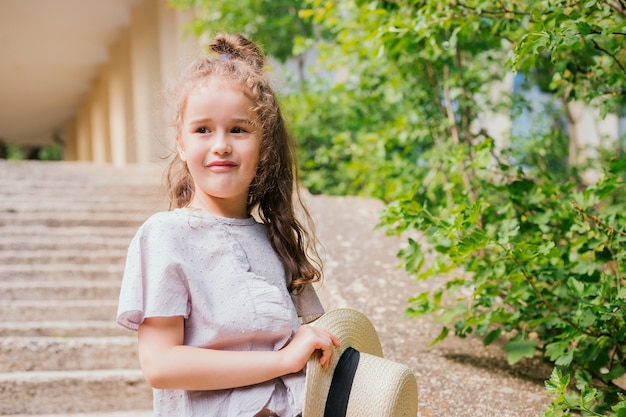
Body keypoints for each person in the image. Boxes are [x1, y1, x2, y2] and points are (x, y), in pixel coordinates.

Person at [116, 33, 340, 417]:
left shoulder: (276, 241)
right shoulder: (165, 235)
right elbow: (161, 365)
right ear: (181, 145)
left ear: (264, 147)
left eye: (238, 129)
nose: (221, 144)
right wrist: (284, 360)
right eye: (203, 129)